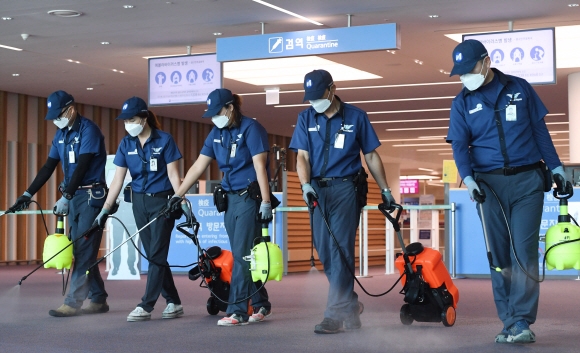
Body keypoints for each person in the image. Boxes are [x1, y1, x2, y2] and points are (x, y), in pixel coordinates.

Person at [446, 39, 568, 344]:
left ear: (486, 62)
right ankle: (510, 319)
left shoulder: (520, 87)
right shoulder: (462, 102)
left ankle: (521, 320)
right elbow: (461, 146)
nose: (465, 77)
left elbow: (539, 130)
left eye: (469, 68)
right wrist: (469, 180)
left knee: (523, 252)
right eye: (459, 72)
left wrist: (555, 167)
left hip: (527, 181)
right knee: (499, 255)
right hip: (488, 186)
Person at [289, 69, 396, 334]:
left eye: (318, 96)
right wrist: (304, 185)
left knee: (341, 249)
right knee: (325, 251)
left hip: (346, 188)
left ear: (332, 89)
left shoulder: (356, 117)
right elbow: (302, 157)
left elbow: (371, 156)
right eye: (310, 98)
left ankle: (334, 315)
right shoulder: (305, 118)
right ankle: (350, 304)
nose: (314, 102)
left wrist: (385, 189)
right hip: (317, 190)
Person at [163, 88, 273, 326]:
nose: (214, 117)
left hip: (248, 197)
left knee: (244, 256)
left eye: (217, 112)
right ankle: (261, 303)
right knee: (243, 255)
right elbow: (197, 167)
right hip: (229, 200)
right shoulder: (216, 133)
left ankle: (237, 311)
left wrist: (266, 201)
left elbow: (259, 167)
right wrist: (177, 194)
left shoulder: (251, 129)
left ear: (230, 108)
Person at [8, 90, 109, 317]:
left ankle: (73, 302)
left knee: (83, 250)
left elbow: (82, 166)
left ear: (71, 109)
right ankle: (99, 298)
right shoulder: (60, 134)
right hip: (74, 199)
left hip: (91, 197)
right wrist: (26, 194)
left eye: (59, 114)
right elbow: (48, 167)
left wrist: (67, 196)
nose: (56, 119)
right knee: (83, 250)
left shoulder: (88, 130)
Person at [93, 96, 189, 322]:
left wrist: (182, 202)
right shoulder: (126, 144)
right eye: (125, 121)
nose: (128, 124)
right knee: (154, 254)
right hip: (138, 202)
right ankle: (174, 302)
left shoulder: (165, 140)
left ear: (144, 118)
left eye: (132, 119)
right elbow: (117, 180)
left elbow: (175, 176)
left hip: (163, 202)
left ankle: (146, 305)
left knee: (156, 254)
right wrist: (105, 209)